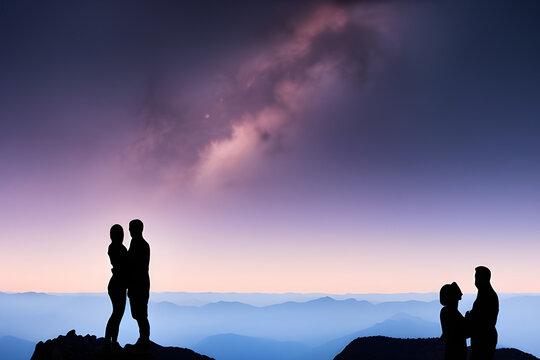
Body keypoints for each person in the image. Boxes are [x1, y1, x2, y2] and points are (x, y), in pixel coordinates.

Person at [127, 219, 151, 349]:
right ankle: (143, 339)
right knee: (139, 314)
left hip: (139, 284)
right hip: (139, 284)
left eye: (131, 228)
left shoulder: (139, 244)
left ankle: (144, 340)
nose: (130, 231)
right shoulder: (137, 243)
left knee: (141, 315)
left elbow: (134, 265)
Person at [466, 266, 499, 360]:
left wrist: (469, 315)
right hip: (483, 336)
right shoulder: (485, 293)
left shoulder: (486, 295)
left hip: (484, 338)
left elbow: (481, 317)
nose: (475, 280)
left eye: (477, 277)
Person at [105, 224, 128, 351]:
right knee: (117, 314)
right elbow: (123, 266)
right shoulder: (118, 248)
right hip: (118, 284)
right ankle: (110, 342)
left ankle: (112, 341)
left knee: (117, 314)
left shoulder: (113, 247)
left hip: (116, 284)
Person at [440, 282, 468, 360]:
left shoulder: (447, 311)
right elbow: (464, 332)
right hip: (456, 351)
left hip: (453, 350)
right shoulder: (451, 312)